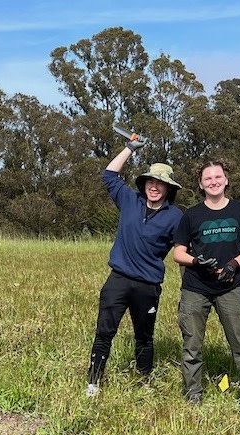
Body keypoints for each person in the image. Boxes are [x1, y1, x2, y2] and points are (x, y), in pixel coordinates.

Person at [85, 136, 184, 397]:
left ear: (168, 189)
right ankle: (93, 383)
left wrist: (188, 288)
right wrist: (129, 149)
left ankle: (143, 383)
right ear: (144, 184)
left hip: (148, 286)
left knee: (144, 337)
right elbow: (109, 175)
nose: (154, 187)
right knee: (104, 332)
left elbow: (182, 252)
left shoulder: (176, 217)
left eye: (160, 184)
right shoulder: (129, 200)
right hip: (118, 280)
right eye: (151, 181)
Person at [172, 159, 240, 409]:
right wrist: (196, 261)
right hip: (195, 288)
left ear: (226, 180)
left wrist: (234, 264)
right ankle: (193, 393)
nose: (213, 182)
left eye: (218, 177)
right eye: (207, 179)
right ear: (201, 184)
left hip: (231, 286)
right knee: (192, 344)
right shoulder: (191, 215)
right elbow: (178, 253)